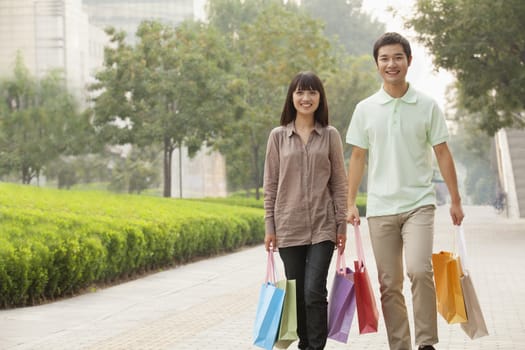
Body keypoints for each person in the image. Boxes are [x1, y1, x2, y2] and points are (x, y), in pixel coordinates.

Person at [345, 32, 465, 350]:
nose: (391, 63)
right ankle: (400, 345)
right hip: (381, 207)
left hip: (419, 203)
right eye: (384, 58)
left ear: (409, 61)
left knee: (419, 269)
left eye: (398, 57)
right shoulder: (365, 109)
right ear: (377, 65)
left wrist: (455, 199)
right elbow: (357, 157)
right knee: (389, 284)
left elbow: (442, 152)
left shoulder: (427, 106)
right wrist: (349, 202)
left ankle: (426, 342)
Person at [263, 71, 348, 350]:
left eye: (312, 92)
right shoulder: (278, 137)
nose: (306, 98)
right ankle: (304, 344)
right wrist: (270, 227)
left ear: (320, 97)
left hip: (323, 227)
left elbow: (339, 183)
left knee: (314, 291)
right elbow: (271, 186)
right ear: (292, 97)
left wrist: (341, 224)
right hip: (288, 226)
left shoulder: (330, 135)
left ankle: (315, 347)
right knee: (297, 293)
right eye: (300, 92)